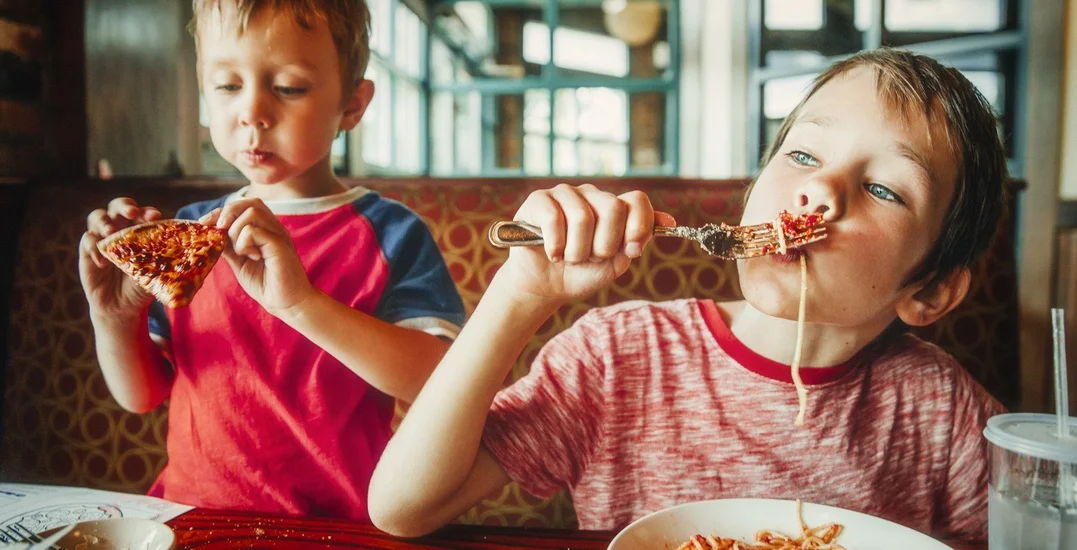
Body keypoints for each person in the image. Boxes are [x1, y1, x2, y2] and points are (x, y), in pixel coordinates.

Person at [368, 47, 1008, 541]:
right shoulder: (618, 355)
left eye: (885, 189)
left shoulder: (942, 408)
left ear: (929, 291)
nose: (819, 192)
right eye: (805, 156)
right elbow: (404, 507)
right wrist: (519, 292)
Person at [77, 0, 464, 520]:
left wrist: (302, 303)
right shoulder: (189, 232)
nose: (252, 112)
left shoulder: (391, 233)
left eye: (288, 87)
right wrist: (113, 316)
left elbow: (440, 382)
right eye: (228, 86)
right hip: (191, 516)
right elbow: (142, 396)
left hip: (339, 526)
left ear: (352, 103)